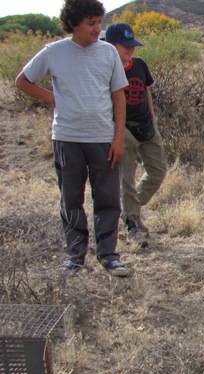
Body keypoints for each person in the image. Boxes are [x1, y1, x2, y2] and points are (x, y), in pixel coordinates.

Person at [15, 0, 129, 276]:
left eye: (99, 22)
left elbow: (118, 96)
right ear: (73, 24)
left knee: (108, 198)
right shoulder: (54, 52)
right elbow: (22, 81)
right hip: (67, 137)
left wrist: (118, 139)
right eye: (91, 23)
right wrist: (53, 98)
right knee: (71, 199)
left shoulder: (108, 53)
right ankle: (75, 256)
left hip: (103, 138)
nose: (97, 29)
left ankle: (108, 255)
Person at [105, 22, 167, 248]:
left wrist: (152, 117)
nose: (131, 49)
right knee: (127, 179)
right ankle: (132, 224)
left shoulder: (139, 64)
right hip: (123, 128)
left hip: (147, 126)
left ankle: (129, 211)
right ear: (111, 45)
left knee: (158, 172)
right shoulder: (106, 67)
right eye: (125, 45)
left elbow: (146, 90)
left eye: (132, 45)